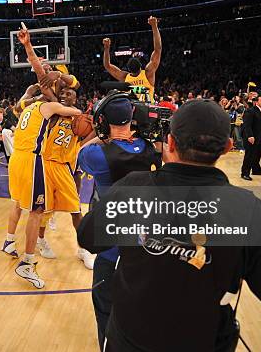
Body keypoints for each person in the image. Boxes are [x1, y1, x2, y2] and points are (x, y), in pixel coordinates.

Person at [77, 99, 261, 352]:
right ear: (226, 147)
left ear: (170, 142)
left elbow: (88, 238)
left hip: (128, 341)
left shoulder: (132, 188)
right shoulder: (248, 211)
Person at [77, 91, 161, 347]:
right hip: (146, 242)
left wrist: (98, 134)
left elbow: (81, 151)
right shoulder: (148, 149)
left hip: (113, 248)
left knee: (105, 306)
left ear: (103, 121)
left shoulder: (97, 156)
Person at [5, 27, 82, 288]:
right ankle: (27, 261)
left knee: (31, 208)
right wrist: (29, 49)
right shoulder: (49, 102)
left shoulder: (57, 90)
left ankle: (21, 248)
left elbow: (61, 80)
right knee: (36, 210)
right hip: (35, 160)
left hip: (20, 158)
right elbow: (72, 107)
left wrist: (30, 49)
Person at [102, 16, 162, 103]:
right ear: (141, 66)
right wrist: (154, 26)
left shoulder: (125, 77)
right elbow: (158, 49)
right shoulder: (148, 74)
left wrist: (106, 48)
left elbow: (107, 66)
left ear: (128, 69)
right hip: (148, 110)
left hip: (131, 112)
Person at [241, 96, 261, 181]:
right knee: (249, 155)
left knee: (257, 155)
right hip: (252, 137)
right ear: (256, 102)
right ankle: (245, 173)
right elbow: (247, 125)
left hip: (260, 136)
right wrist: (250, 136)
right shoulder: (250, 111)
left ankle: (256, 170)